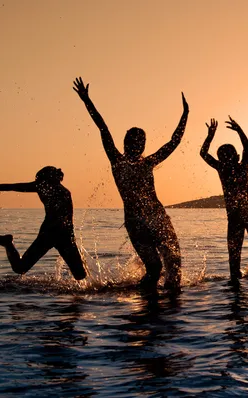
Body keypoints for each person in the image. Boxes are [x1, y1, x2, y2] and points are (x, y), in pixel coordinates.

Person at [73, 77, 188, 292]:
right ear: (126, 143)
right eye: (133, 141)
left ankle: (170, 306)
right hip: (135, 221)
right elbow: (102, 128)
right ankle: (144, 301)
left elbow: (174, 142)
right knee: (154, 269)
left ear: (143, 144)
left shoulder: (148, 162)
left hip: (157, 216)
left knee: (174, 263)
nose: (137, 145)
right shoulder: (117, 161)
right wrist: (86, 100)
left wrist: (185, 115)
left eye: (141, 141)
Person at [0, 166, 87, 280]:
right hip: (49, 233)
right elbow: (13, 187)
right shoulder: (43, 186)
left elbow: (12, 187)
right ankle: (8, 244)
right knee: (20, 268)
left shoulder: (52, 187)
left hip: (65, 235)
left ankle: (8, 243)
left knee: (80, 275)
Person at [200, 117, 248, 281]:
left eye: (228, 156)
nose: (226, 160)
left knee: (246, 208)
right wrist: (210, 136)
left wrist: (239, 130)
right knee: (234, 266)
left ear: (236, 156)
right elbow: (203, 154)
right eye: (222, 157)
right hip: (233, 218)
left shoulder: (242, 166)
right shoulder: (222, 169)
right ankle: (236, 283)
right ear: (221, 160)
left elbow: (247, 146)